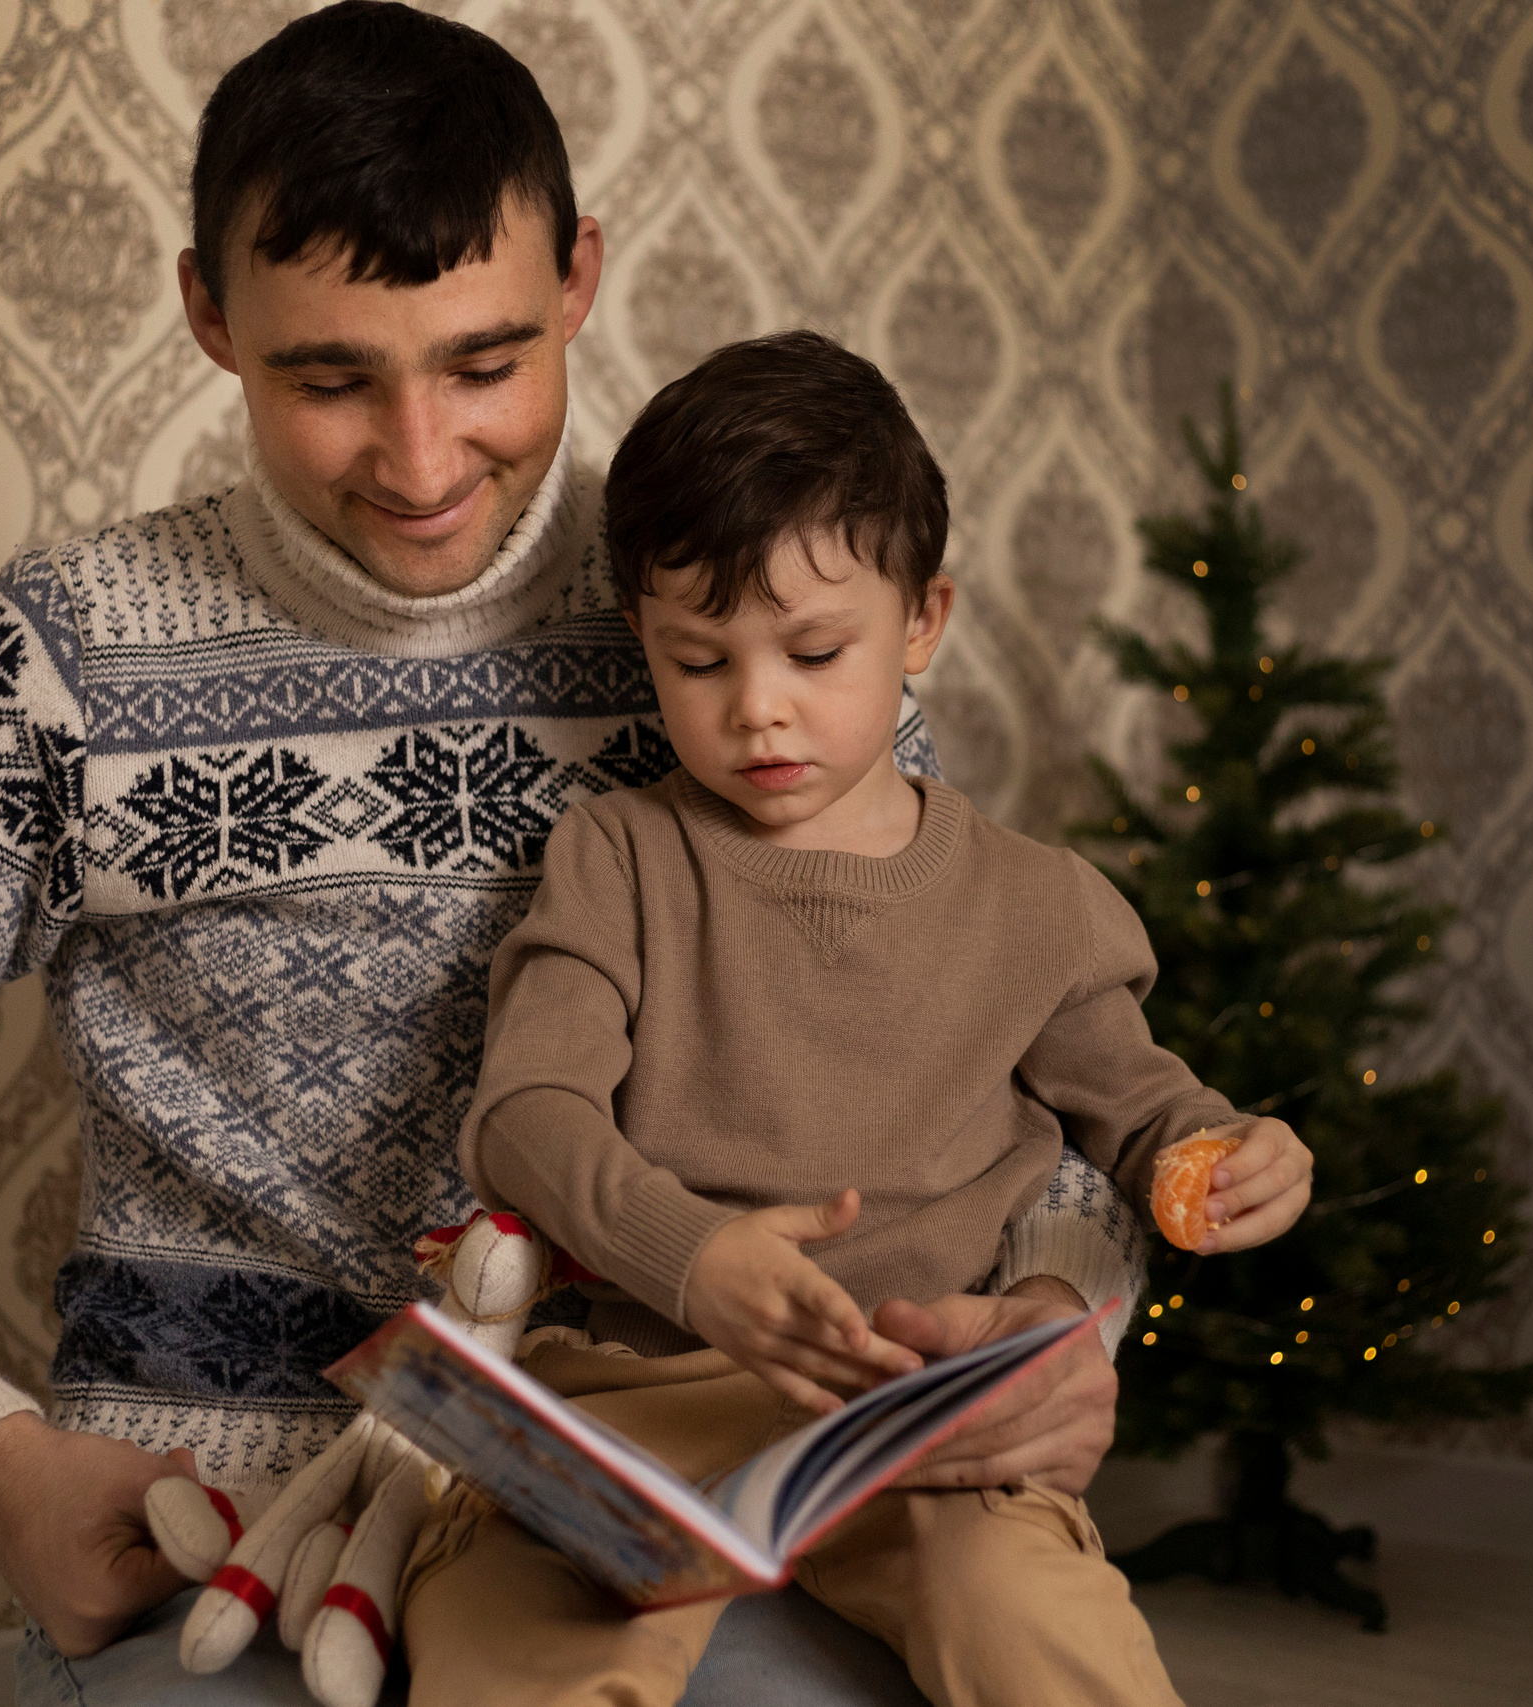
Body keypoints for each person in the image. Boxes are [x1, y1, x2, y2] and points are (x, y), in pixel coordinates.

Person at [0, 5, 1313, 1701]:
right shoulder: (60, 664)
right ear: (209, 314)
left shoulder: (737, 606)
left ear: (578, 278)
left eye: (487, 364)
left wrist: (1059, 1320)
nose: (423, 463)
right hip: (237, 1513)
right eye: (329, 377)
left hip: (717, 1478)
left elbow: (987, 1049)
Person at [401, 331, 1307, 1707]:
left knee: (1031, 1617)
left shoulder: (1039, 905)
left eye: (816, 651)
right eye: (696, 661)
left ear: (922, 621)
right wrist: (691, 1255)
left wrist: (1230, 1164)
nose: (757, 710)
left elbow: (1148, 1118)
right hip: (633, 1406)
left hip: (908, 1419)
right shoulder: (619, 858)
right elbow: (526, 1119)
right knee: (510, 1636)